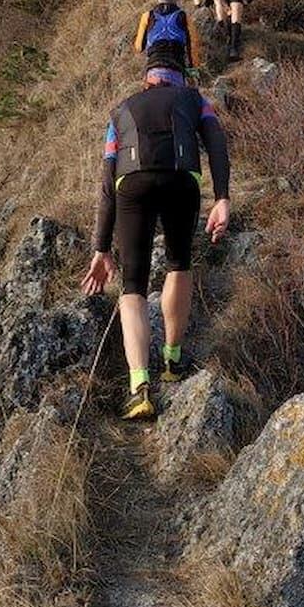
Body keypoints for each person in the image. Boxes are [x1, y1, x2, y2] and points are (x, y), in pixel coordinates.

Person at [82, 65, 231, 419]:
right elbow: (217, 145)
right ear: (179, 78)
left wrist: (101, 248)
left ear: (146, 81)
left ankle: (139, 388)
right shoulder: (196, 100)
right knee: (179, 263)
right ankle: (172, 361)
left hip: (130, 186)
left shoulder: (120, 111)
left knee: (132, 285)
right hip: (183, 180)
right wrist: (222, 197)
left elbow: (106, 183)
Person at [133, 0, 201, 76]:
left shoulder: (147, 16)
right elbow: (193, 44)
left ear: (158, 0)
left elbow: (139, 47)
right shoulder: (184, 16)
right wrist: (193, 66)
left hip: (154, 62)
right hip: (177, 61)